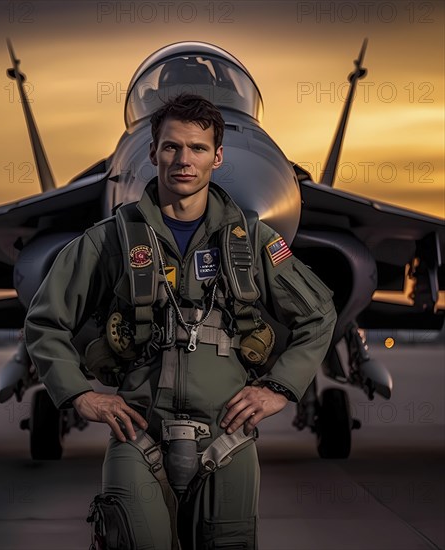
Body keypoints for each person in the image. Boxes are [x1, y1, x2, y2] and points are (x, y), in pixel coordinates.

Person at [25, 94, 337, 549]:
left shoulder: (252, 240)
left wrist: (278, 388)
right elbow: (44, 320)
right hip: (138, 435)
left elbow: (317, 313)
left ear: (218, 156)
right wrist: (79, 395)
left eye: (197, 148)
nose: (183, 161)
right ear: (153, 153)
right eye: (171, 147)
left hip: (227, 438)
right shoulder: (110, 240)